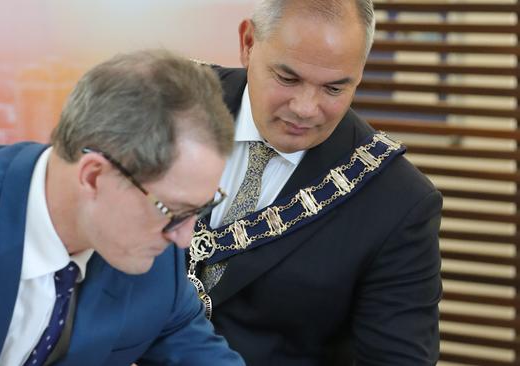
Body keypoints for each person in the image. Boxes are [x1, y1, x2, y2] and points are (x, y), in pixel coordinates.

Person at [0, 49, 246, 366]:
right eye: (173, 210)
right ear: (94, 176)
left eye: (203, 208)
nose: (185, 238)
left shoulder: (154, 258)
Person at [188, 0, 443, 365]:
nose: (306, 108)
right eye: (287, 78)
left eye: (335, 89)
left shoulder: (399, 202)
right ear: (248, 43)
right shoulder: (165, 102)